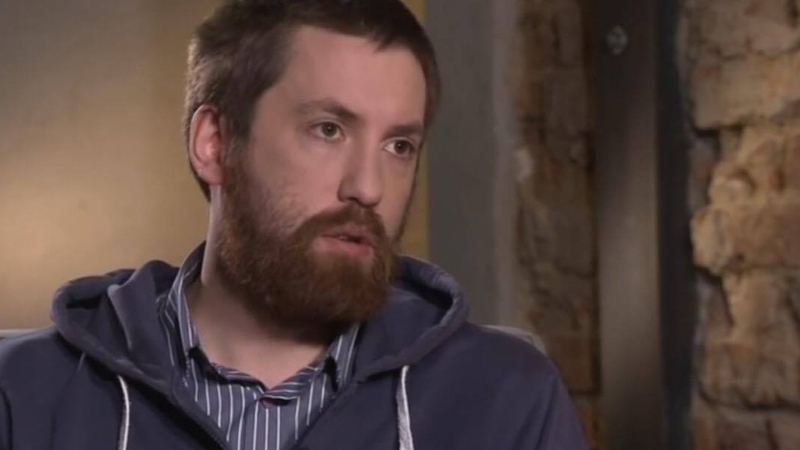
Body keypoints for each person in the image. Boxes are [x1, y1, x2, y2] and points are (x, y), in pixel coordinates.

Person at [0, 0, 588, 449]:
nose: (369, 187)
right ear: (214, 143)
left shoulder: (505, 399)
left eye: (399, 145)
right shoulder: (25, 395)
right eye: (328, 130)